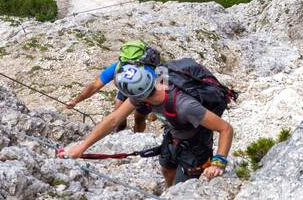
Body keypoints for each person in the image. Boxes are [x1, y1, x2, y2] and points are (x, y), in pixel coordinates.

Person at [59, 60, 234, 186]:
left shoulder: (185, 106)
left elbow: (225, 128)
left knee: (185, 186)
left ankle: (175, 195)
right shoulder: (149, 90)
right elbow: (113, 120)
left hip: (195, 146)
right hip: (173, 135)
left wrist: (218, 162)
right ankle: (169, 189)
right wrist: (80, 148)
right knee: (166, 167)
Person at [66, 41, 161, 134]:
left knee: (139, 118)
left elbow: (162, 92)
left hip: (145, 94)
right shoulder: (118, 66)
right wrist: (75, 100)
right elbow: (95, 86)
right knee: (119, 114)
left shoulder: (151, 74)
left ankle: (137, 137)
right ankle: (121, 131)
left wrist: (156, 112)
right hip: (126, 89)